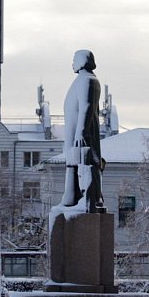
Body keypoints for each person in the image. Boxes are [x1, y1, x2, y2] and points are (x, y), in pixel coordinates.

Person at [60, 49, 105, 212]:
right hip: (74, 130)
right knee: (74, 161)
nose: (72, 63)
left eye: (74, 59)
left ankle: (90, 198)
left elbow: (87, 107)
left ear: (82, 60)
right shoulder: (81, 80)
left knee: (86, 162)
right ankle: (72, 195)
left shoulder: (88, 80)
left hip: (81, 132)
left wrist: (81, 131)